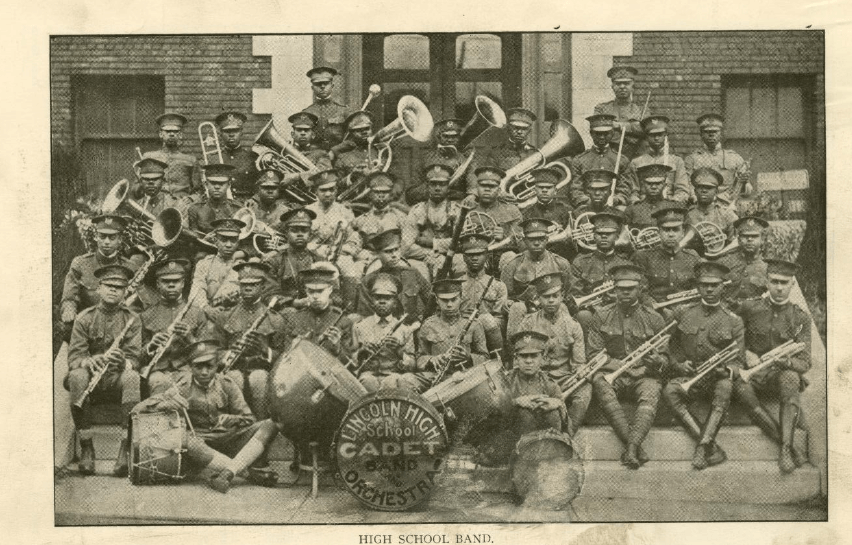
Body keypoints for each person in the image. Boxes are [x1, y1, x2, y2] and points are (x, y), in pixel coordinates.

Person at [131, 338, 280, 493]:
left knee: (271, 423)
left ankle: (228, 471)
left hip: (228, 440)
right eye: (198, 366)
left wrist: (234, 419)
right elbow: (137, 410)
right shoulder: (179, 386)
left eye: (209, 366)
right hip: (199, 446)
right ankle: (245, 474)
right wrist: (164, 404)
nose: (204, 372)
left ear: (217, 366)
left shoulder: (227, 384)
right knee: (184, 438)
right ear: (190, 367)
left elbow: (250, 420)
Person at [662, 261, 745, 469]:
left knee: (726, 385)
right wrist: (679, 365)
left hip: (716, 377)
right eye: (704, 285)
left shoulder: (733, 320)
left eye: (714, 285)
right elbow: (669, 346)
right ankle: (710, 446)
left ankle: (701, 448)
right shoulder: (682, 312)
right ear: (698, 286)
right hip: (690, 376)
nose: (709, 289)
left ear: (723, 286)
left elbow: (739, 361)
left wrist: (725, 370)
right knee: (670, 390)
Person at [732, 259, 811, 473]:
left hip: (780, 376)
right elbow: (732, 334)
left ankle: (785, 450)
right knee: (739, 386)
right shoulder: (750, 308)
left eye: (784, 282)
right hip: (755, 376)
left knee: (791, 377)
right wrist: (745, 352)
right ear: (766, 282)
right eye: (774, 281)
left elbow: (804, 362)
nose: (778, 287)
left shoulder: (800, 317)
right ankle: (788, 444)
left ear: (792, 284)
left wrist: (785, 361)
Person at [587, 264, 669, 468]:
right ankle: (634, 448)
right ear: (613, 290)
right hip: (613, 373)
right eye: (620, 288)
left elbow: (665, 359)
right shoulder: (601, 315)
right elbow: (594, 354)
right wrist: (622, 366)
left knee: (651, 390)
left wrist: (658, 362)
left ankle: (631, 449)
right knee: (600, 383)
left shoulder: (655, 318)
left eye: (631, 288)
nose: (625, 292)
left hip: (644, 375)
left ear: (640, 289)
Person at [65, 264, 142, 476]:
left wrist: (123, 362)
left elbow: (136, 358)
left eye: (119, 287)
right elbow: (74, 358)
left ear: (126, 291)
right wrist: (89, 361)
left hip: (116, 379)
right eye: (108, 285)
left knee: (132, 377)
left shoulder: (133, 319)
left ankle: (125, 448)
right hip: (92, 380)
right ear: (99, 288)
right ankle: (87, 446)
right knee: (77, 376)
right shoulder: (85, 318)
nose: (113, 290)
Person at [208, 260, 286, 420]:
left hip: (262, 370)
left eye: (254, 285)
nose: (248, 288)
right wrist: (230, 352)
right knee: (233, 378)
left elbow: (285, 358)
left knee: (259, 379)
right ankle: (232, 425)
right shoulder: (224, 316)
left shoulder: (275, 319)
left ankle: (261, 426)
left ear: (263, 287)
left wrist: (266, 350)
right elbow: (214, 351)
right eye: (244, 285)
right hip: (233, 368)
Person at [518, 272, 588, 436]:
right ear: (538, 298)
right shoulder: (527, 322)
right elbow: (520, 358)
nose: (550, 301)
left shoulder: (573, 325)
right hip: (535, 377)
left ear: (562, 296)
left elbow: (579, 362)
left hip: (563, 377)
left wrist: (580, 370)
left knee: (586, 389)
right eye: (545, 296)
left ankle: (567, 435)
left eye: (555, 296)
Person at [60, 214, 145, 337]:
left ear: (120, 239)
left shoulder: (130, 267)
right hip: (84, 331)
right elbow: (69, 297)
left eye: (112, 237)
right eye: (102, 236)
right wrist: (69, 312)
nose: (106, 242)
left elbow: (138, 305)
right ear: (96, 237)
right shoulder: (81, 263)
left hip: (118, 333)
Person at [140, 258, 208, 396]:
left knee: (190, 384)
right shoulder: (146, 315)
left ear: (183, 283)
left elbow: (207, 353)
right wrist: (151, 346)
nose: (171, 285)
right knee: (158, 384)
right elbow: (137, 356)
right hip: (157, 370)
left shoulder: (197, 313)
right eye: (166, 281)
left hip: (187, 369)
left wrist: (190, 338)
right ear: (158, 284)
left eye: (176, 281)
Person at [415, 278, 488, 392]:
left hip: (466, 376)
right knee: (405, 380)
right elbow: (419, 358)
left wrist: (468, 357)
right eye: (444, 300)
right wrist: (431, 360)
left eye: (454, 299)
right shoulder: (428, 325)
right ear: (436, 300)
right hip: (436, 376)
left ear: (461, 298)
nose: (449, 304)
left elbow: (485, 358)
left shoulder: (474, 324)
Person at [351, 273, 418, 392]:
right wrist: (362, 352)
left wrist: (399, 350)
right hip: (368, 376)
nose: (382, 301)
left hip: (394, 376)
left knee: (392, 382)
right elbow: (351, 362)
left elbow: (412, 366)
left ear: (395, 302)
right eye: (377, 297)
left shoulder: (404, 329)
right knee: (366, 382)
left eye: (387, 298)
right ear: (371, 301)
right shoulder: (359, 327)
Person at [571, 212, 633, 330]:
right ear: (594, 236)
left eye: (609, 234)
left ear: (617, 236)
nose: (604, 237)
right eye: (600, 234)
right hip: (591, 311)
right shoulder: (580, 262)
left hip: (619, 308)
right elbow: (575, 294)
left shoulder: (625, 264)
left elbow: (634, 293)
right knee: (583, 316)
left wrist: (619, 298)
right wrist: (595, 306)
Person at [356, 229, 434, 322]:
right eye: (388, 251)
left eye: (396, 249)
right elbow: (366, 317)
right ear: (377, 254)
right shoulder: (368, 281)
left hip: (412, 329)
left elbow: (432, 301)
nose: (394, 255)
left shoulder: (412, 273)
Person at [280, 265, 353, 364]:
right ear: (306, 291)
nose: (315, 296)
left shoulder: (343, 322)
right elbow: (287, 357)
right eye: (311, 291)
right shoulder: (294, 319)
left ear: (330, 289)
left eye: (320, 291)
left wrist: (337, 348)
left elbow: (349, 365)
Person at [631, 205, 702, 305]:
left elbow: (698, 290)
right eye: (666, 230)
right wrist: (657, 308)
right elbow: (641, 291)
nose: (671, 234)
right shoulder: (643, 257)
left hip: (685, 312)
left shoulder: (693, 258)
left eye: (676, 229)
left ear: (683, 233)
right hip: (654, 313)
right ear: (658, 232)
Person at [566, 114, 635, 208]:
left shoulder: (622, 160)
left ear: (612, 133)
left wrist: (616, 199)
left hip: (613, 207)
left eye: (606, 133)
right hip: (587, 206)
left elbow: (624, 187)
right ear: (591, 133)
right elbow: (576, 188)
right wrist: (588, 201)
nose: (602, 137)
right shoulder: (579, 160)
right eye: (598, 134)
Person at [406, 164, 464, 275]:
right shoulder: (417, 211)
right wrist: (430, 254)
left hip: (452, 256)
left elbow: (461, 243)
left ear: (448, 186)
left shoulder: (457, 210)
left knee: (463, 263)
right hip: (423, 258)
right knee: (414, 268)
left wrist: (433, 243)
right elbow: (407, 246)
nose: (437, 188)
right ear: (427, 186)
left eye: (442, 184)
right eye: (433, 184)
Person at [458, 232, 509, 358]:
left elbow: (501, 320)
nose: (474, 258)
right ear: (464, 257)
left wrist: (481, 319)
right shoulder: (457, 285)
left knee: (486, 320)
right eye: (470, 255)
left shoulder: (497, 285)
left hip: (490, 335)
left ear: (486, 256)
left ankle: (500, 361)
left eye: (479, 254)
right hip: (462, 333)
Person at [501, 218, 577, 302]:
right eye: (532, 239)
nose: (536, 243)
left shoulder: (561, 264)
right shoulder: (513, 264)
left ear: (547, 239)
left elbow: (568, 293)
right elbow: (505, 296)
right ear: (525, 241)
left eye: (541, 239)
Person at [262, 207, 323, 306]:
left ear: (310, 234)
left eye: (304, 230)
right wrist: (293, 303)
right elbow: (268, 295)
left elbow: (334, 294)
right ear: (286, 233)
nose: (299, 234)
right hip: (286, 311)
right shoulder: (275, 261)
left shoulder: (319, 260)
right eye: (294, 230)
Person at [684, 114, 752, 203]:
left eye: (715, 132)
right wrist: (695, 198)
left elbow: (747, 191)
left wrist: (744, 182)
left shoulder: (734, 158)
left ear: (721, 134)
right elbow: (688, 185)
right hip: (701, 204)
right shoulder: (692, 159)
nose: (711, 135)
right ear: (701, 134)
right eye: (707, 132)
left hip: (728, 204)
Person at [350, 172, 415, 263]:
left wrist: (395, 255)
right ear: (369, 194)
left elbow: (408, 241)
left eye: (385, 192)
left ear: (391, 194)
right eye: (377, 192)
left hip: (395, 258)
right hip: (369, 260)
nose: (381, 195)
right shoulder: (360, 220)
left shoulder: (400, 218)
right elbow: (355, 244)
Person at [472, 107, 539, 195]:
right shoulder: (496, 153)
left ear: (529, 130)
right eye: (515, 127)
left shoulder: (535, 154)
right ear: (508, 128)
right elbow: (489, 179)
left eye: (524, 129)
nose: (519, 131)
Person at [469, 166, 524, 269]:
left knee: (511, 257)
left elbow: (521, 243)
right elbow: (457, 241)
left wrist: (504, 236)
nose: (487, 189)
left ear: (499, 190)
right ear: (476, 188)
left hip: (501, 256)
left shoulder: (512, 211)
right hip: (474, 256)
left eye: (492, 186)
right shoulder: (468, 211)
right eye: (483, 185)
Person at [629, 115, 690, 203]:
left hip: (669, 203)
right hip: (644, 205)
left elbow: (682, 190)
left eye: (660, 135)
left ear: (665, 136)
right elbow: (633, 191)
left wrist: (674, 201)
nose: (656, 138)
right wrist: (637, 202)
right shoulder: (636, 162)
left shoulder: (676, 161)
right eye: (652, 135)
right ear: (646, 137)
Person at [187, 218, 244, 311]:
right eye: (224, 240)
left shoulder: (243, 267)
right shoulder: (204, 264)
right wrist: (206, 309)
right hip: (208, 313)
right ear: (215, 240)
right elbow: (196, 291)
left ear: (238, 242)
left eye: (233, 240)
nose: (228, 245)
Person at [409, 118, 470, 203]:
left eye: (454, 136)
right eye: (446, 136)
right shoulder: (426, 158)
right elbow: (412, 192)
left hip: (456, 203)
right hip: (428, 203)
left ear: (459, 137)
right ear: (439, 137)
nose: (450, 140)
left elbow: (471, 187)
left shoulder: (465, 160)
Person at [142, 113, 201, 200]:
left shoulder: (191, 160)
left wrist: (191, 199)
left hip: (182, 205)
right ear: (161, 134)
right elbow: (137, 189)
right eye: (168, 131)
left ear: (180, 135)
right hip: (156, 203)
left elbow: (198, 190)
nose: (172, 134)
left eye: (175, 131)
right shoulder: (149, 157)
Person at [522, 167, 575, 260]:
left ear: (555, 190)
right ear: (534, 190)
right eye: (540, 187)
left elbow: (572, 238)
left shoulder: (567, 210)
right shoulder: (527, 212)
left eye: (549, 187)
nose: (544, 190)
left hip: (563, 257)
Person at [594, 66, 646, 160]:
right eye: (618, 83)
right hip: (609, 156)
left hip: (636, 156)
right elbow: (597, 129)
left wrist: (618, 126)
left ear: (633, 86)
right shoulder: (601, 109)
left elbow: (645, 129)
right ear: (612, 87)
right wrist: (633, 126)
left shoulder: (642, 109)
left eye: (626, 83)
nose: (622, 87)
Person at [717, 216, 770, 307]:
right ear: (738, 240)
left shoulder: (768, 267)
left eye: (754, 236)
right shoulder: (723, 263)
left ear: (762, 240)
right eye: (745, 236)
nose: (749, 239)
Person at [301, 66, 353, 151]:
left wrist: (337, 150)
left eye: (326, 83)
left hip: (339, 158)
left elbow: (352, 139)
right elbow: (301, 141)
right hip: (314, 159)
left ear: (332, 85)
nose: (322, 86)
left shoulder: (344, 111)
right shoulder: (306, 113)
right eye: (318, 84)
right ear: (312, 88)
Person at [685, 167, 739, 244]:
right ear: (695, 191)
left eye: (709, 188)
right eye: (700, 187)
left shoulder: (727, 215)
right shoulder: (687, 215)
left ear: (716, 192)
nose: (704, 190)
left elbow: (734, 243)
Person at [185, 163, 242, 235]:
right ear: (206, 184)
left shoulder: (238, 210)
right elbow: (194, 238)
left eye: (222, 183)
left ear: (229, 184)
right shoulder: (195, 209)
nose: (217, 187)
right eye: (213, 183)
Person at [214, 111, 258, 202]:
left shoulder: (253, 157)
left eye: (235, 131)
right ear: (220, 134)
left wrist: (254, 200)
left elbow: (261, 186)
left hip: (246, 205)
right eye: (227, 131)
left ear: (242, 132)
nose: (231, 134)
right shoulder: (213, 158)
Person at [623, 164, 676, 230]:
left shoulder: (673, 207)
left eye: (658, 183)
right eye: (649, 183)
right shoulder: (632, 209)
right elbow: (625, 234)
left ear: (664, 185)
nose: (653, 187)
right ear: (643, 184)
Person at [244, 169, 291, 234]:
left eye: (274, 188)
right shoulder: (249, 207)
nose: (270, 191)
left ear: (279, 190)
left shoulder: (284, 211)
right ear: (258, 189)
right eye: (266, 187)